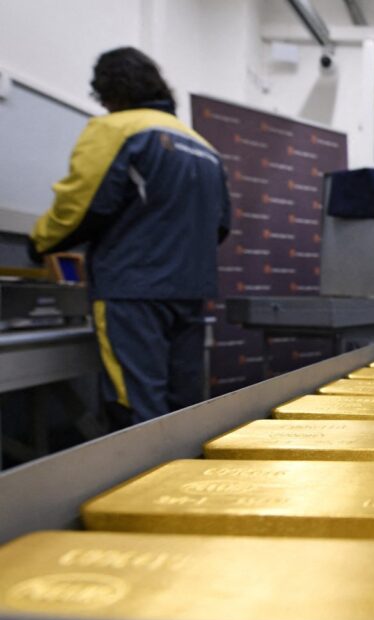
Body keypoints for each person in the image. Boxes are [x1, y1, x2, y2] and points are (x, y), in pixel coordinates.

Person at [30, 47, 231, 428]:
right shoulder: (204, 148)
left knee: (137, 408)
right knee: (183, 405)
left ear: (109, 92)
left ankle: (146, 487)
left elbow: (80, 205)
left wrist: (38, 243)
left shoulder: (117, 130)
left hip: (132, 291)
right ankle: (187, 482)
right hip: (189, 292)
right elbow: (219, 226)